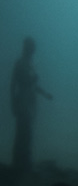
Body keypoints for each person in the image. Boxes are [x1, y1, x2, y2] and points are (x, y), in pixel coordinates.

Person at [10, 37, 53, 172]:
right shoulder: (20, 63)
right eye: (31, 47)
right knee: (23, 132)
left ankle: (25, 163)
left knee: (28, 133)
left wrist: (45, 94)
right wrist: (13, 103)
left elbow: (34, 85)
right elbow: (13, 85)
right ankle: (19, 163)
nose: (33, 50)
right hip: (22, 101)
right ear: (26, 48)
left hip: (31, 102)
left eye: (33, 47)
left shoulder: (31, 64)